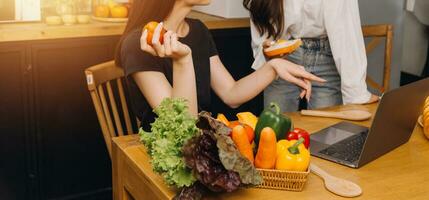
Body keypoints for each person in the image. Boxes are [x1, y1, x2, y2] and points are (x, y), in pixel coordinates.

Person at [115, 0, 325, 131]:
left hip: (199, 144)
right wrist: (183, 61)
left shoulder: (198, 30)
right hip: (160, 156)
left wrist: (273, 67)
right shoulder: (138, 43)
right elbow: (180, 125)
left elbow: (231, 94)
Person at [244, 0, 379, 112]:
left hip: (327, 58)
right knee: (274, 133)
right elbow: (260, 8)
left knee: (325, 136)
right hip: (282, 58)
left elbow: (344, 30)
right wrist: (265, 46)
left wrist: (357, 94)